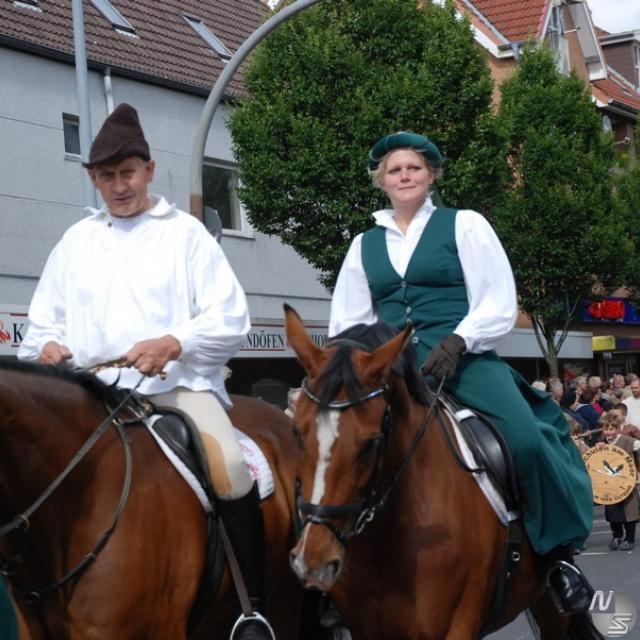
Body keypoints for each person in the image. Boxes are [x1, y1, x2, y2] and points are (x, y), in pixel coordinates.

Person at [17, 104, 272, 640]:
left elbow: (231, 319)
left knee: (229, 465)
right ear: (93, 178)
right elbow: (40, 327)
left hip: (174, 391)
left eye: (128, 173)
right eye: (107, 176)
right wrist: (46, 350)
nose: (119, 186)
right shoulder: (75, 242)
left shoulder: (186, 235)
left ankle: (253, 610)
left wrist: (176, 342)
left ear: (149, 170)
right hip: (88, 398)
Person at [329, 131, 594, 613]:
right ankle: (330, 570)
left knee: (528, 441)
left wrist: (459, 340)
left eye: (413, 168)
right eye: (395, 170)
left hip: (464, 360)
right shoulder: (362, 245)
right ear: (381, 181)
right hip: (393, 370)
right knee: (333, 447)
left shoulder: (465, 225)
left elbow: (497, 299)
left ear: (430, 175)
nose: (405, 176)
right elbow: (349, 323)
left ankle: (558, 559)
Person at [596, 411, 640, 551]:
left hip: (627, 482)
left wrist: (637, 471)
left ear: (618, 428)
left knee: (629, 512)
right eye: (606, 429)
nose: (608, 432)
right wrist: (597, 450)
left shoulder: (629, 441)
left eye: (611, 429)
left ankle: (629, 539)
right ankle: (617, 536)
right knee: (612, 511)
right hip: (610, 483)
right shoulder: (602, 443)